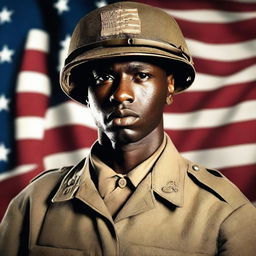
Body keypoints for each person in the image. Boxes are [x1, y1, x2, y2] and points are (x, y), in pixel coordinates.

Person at [0, 1, 256, 255]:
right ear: (85, 94)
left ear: (169, 86)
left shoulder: (224, 212)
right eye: (104, 77)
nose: (121, 94)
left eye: (141, 75)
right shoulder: (34, 204)